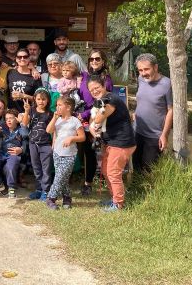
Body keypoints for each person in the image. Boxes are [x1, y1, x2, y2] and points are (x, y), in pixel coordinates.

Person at [87, 76, 136, 211]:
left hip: (121, 142)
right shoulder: (100, 102)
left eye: (97, 87)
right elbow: (93, 124)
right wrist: (93, 129)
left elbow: (97, 119)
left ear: (104, 86)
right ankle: (114, 198)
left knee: (113, 173)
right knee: (105, 171)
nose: (94, 91)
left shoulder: (110, 100)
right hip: (110, 142)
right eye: (91, 90)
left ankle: (118, 204)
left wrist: (94, 123)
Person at [78, 49, 113, 196]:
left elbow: (104, 101)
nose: (94, 62)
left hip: (97, 117)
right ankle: (88, 182)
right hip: (82, 118)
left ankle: (103, 181)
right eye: (91, 59)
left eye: (97, 59)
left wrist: (85, 114)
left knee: (98, 150)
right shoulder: (84, 76)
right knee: (88, 151)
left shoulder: (107, 79)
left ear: (103, 61)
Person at [133, 53, 173, 172]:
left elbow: (171, 110)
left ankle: (149, 190)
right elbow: (141, 98)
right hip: (137, 130)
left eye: (146, 69)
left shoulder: (167, 84)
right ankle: (136, 189)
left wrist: (164, 135)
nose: (143, 73)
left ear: (155, 67)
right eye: (140, 70)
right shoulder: (141, 79)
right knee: (136, 164)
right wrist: (135, 112)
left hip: (154, 135)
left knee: (148, 168)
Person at [44, 96, 86, 210]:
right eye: (57, 105)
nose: (57, 107)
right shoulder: (57, 120)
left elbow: (82, 137)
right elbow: (49, 130)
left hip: (69, 154)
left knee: (61, 176)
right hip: (57, 153)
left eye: (59, 105)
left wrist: (72, 138)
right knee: (63, 177)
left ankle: (51, 198)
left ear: (68, 107)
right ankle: (67, 197)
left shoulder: (75, 121)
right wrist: (54, 118)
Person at [22, 88, 54, 200]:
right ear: (35, 99)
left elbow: (54, 130)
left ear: (48, 100)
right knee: (36, 168)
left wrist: (53, 145)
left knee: (46, 169)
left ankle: (46, 191)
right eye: (39, 99)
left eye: (43, 99)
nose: (41, 101)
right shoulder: (31, 110)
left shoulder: (51, 114)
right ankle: (39, 189)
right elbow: (25, 124)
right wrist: (26, 111)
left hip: (46, 144)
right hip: (33, 144)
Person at [0, 109, 24, 198]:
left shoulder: (20, 130)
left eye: (11, 118)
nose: (8, 120)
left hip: (13, 153)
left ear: (16, 119)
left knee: (10, 166)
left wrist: (21, 149)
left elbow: (26, 136)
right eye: (7, 118)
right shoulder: (3, 127)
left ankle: (11, 188)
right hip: (2, 153)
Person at [7, 48, 42, 112]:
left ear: (29, 59)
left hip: (28, 113)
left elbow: (40, 99)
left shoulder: (35, 76)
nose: (22, 59)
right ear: (16, 59)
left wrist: (23, 95)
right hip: (11, 113)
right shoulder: (10, 72)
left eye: (25, 57)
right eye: (19, 57)